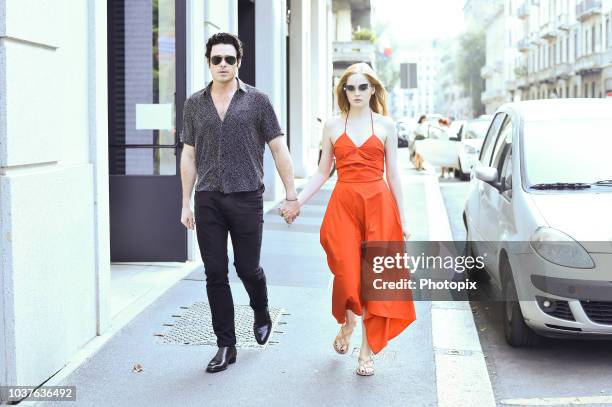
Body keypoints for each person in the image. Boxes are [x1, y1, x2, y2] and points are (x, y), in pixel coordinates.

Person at [281, 62, 417, 376]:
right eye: (350, 87)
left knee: (374, 282)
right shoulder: (331, 125)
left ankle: (365, 354)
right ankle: (349, 320)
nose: (356, 92)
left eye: (362, 86)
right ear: (344, 90)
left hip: (379, 205)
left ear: (373, 89)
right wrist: (297, 202)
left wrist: (403, 218)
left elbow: (394, 175)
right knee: (346, 273)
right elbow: (322, 172)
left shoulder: (385, 125)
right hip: (343, 204)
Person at [179, 32, 300, 373]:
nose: (222, 65)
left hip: (247, 197)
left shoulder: (258, 101)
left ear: (239, 62)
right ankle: (225, 345)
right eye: (216, 59)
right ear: (208, 62)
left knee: (247, 269)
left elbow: (278, 148)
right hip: (208, 199)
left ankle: (260, 310)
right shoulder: (194, 104)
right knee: (214, 273)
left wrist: (291, 194)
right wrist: (185, 203)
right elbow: (188, 155)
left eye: (229, 59)